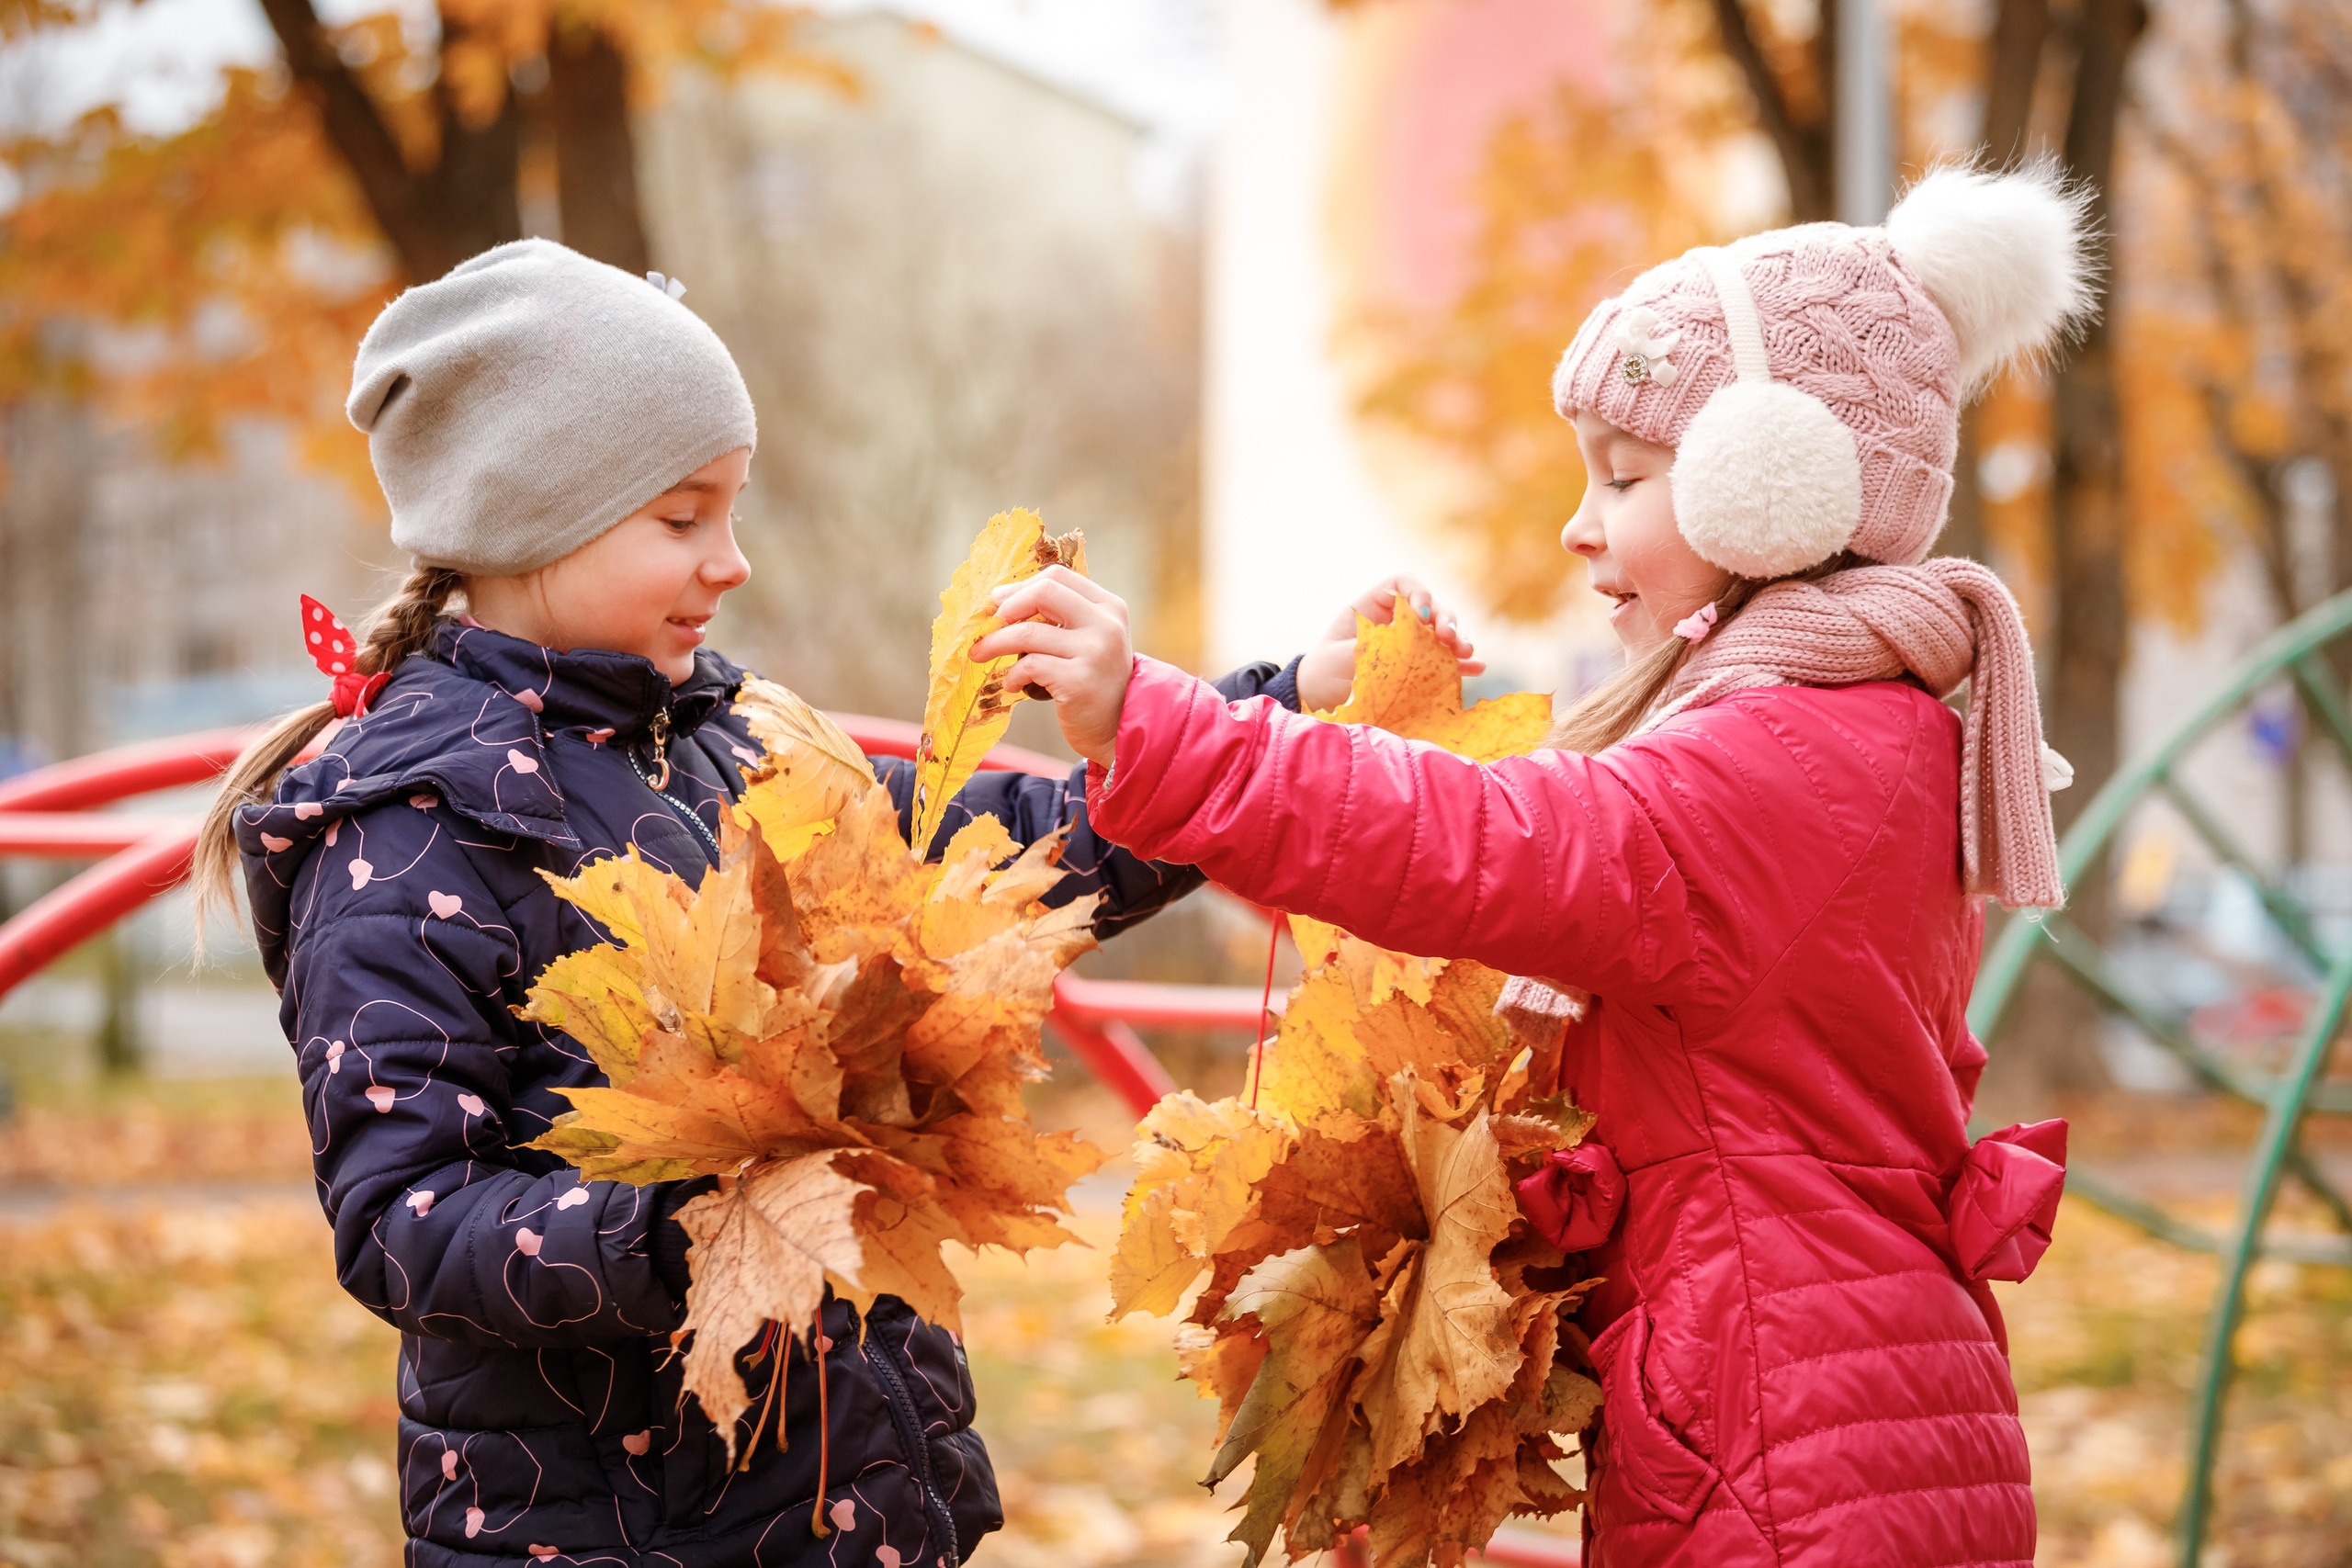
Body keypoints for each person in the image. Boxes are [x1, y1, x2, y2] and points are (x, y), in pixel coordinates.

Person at [187, 238, 1476, 1568]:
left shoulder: (743, 744)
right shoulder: (409, 836)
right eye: (683, 518)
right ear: (533, 520)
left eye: (732, 511)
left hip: (848, 1501)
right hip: (606, 1532)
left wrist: (1275, 702)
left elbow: (1000, 863)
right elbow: (407, 1220)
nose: (731, 561)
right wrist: (717, 1242)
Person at [979, 165, 2094, 1567]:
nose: (1581, 527)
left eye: (1625, 479)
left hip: (1786, 1460)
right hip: (1837, 1402)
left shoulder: (1778, 769)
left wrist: (1163, 723)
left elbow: (1481, 843)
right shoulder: (1865, 729)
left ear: (1778, 482)